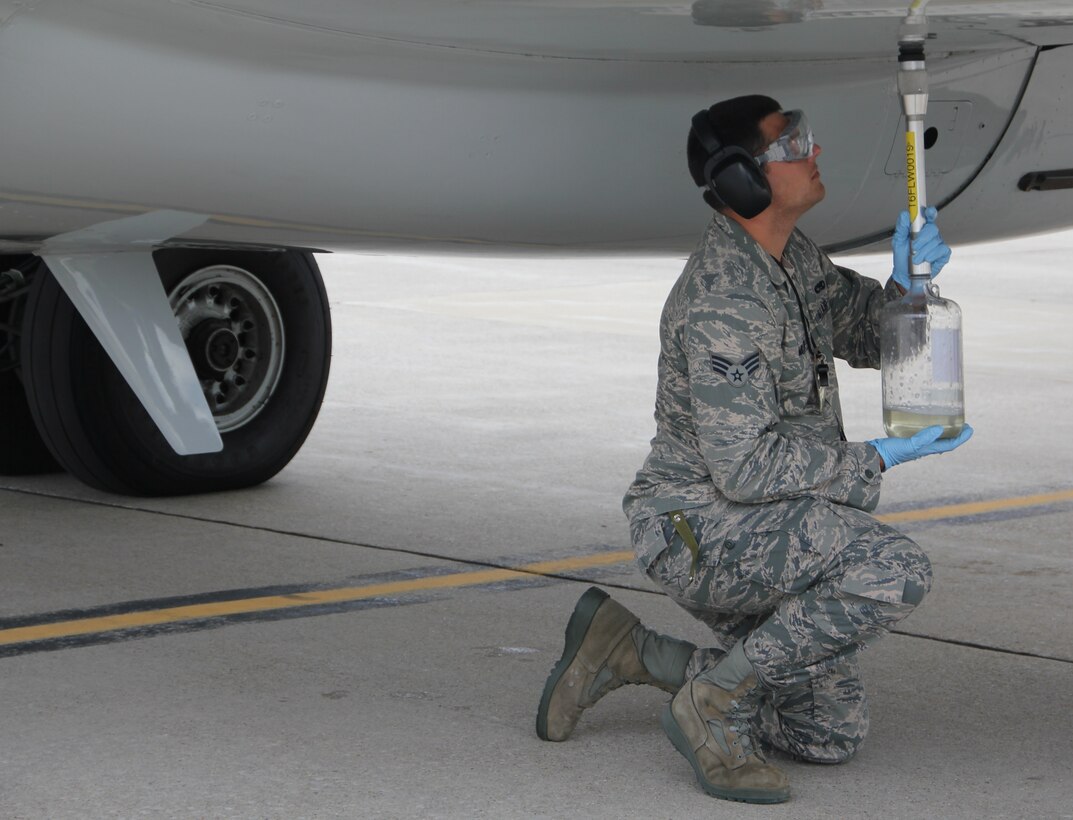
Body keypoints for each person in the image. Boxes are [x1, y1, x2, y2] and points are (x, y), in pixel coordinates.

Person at [535, 95, 973, 804]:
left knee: (825, 733)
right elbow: (743, 467)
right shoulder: (724, 301)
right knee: (891, 567)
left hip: (761, 518)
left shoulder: (787, 259)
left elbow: (868, 334)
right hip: (698, 525)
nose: (814, 153)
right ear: (742, 179)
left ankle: (631, 651)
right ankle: (709, 706)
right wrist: (876, 459)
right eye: (793, 145)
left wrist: (910, 287)